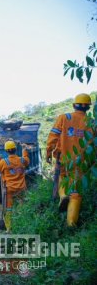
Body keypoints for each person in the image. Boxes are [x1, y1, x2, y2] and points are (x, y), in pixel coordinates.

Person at [46, 93, 92, 226]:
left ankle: (63, 195)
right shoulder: (91, 123)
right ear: (88, 107)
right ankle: (71, 223)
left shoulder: (64, 118)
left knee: (62, 176)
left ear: (74, 105)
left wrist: (49, 152)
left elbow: (53, 136)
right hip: (82, 162)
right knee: (76, 192)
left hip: (63, 158)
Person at [0, 140, 30, 232]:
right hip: (21, 188)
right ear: (15, 149)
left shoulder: (3, 162)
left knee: (8, 208)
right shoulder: (22, 160)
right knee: (22, 206)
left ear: (6, 151)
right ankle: (22, 224)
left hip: (9, 189)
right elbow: (27, 160)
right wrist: (24, 150)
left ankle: (9, 228)